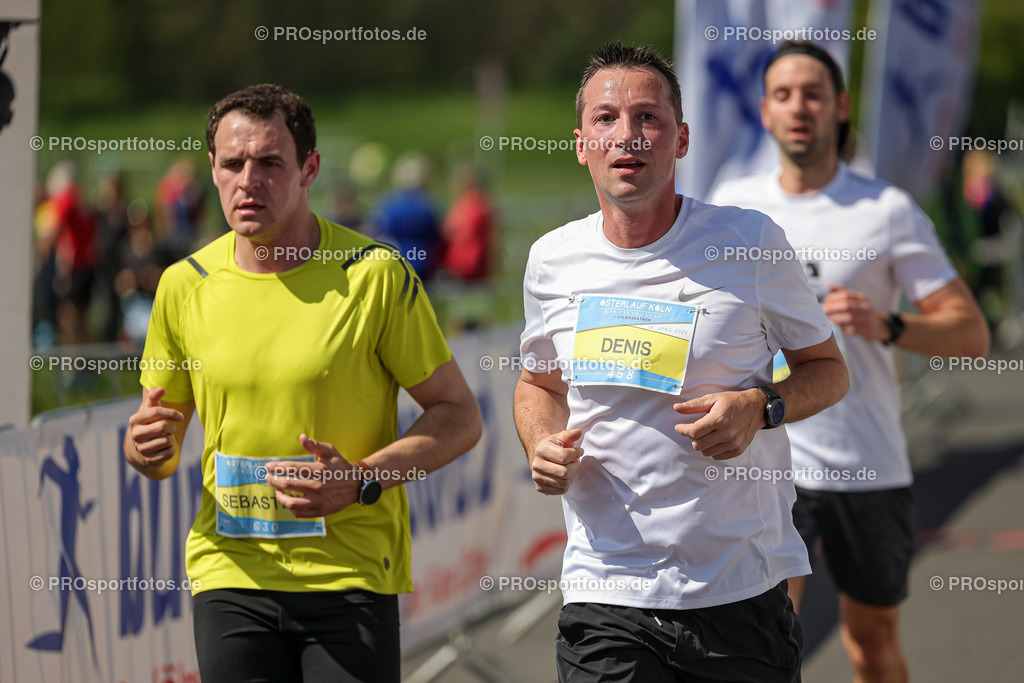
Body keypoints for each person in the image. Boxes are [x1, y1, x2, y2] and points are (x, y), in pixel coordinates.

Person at [122, 83, 482, 683]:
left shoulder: (374, 277)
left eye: (269, 163)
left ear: (308, 168)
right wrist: (143, 449)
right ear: (212, 168)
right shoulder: (182, 286)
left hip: (348, 578)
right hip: (230, 572)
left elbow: (458, 416)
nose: (248, 181)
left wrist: (363, 479)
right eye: (233, 164)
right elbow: (160, 446)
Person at [513, 42, 849, 682]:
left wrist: (762, 406)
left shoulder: (749, 242)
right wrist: (539, 442)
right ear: (582, 143)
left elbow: (828, 369)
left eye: (648, 117)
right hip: (605, 594)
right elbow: (536, 383)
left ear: (681, 138)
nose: (627, 135)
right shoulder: (552, 259)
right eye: (606, 119)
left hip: (737, 592)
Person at [710, 41, 989, 683]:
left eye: (812, 93)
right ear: (764, 112)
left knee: (869, 642)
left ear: (841, 106)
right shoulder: (735, 205)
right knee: (766, 637)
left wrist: (887, 324)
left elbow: (971, 334)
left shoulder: (884, 210)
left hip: (868, 462)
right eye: (783, 95)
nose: (798, 106)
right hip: (773, 455)